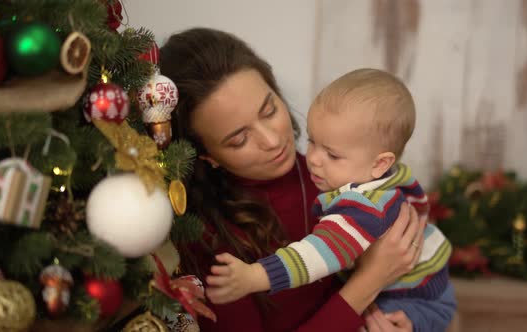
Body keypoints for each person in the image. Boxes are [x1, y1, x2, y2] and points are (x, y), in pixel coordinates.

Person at [160, 27, 430, 332]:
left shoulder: (338, 177)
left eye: (270, 109)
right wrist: (369, 281)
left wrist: (403, 316)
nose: (272, 140)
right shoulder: (204, 240)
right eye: (239, 139)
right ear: (205, 155)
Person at [204, 69, 457, 331]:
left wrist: (255, 276)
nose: (313, 158)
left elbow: (320, 254)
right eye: (313, 141)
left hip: (413, 295)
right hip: (421, 287)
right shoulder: (375, 177)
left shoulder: (366, 205)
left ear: (380, 163)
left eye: (332, 155)